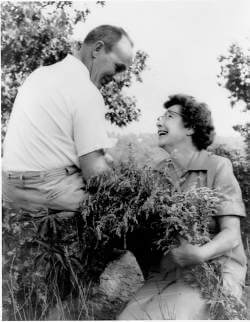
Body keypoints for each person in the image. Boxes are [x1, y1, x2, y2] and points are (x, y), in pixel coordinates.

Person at [118, 94, 247, 319]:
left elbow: (232, 235)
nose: (159, 122)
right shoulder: (156, 173)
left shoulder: (217, 166)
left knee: (168, 316)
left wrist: (198, 254)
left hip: (215, 269)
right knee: (128, 318)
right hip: (169, 273)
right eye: (160, 117)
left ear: (190, 127)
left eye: (169, 116)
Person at [2, 25, 134, 212]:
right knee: (120, 212)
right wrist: (129, 190)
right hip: (49, 192)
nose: (119, 78)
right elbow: (94, 173)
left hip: (9, 189)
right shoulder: (87, 90)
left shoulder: (39, 74)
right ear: (97, 49)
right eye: (118, 67)